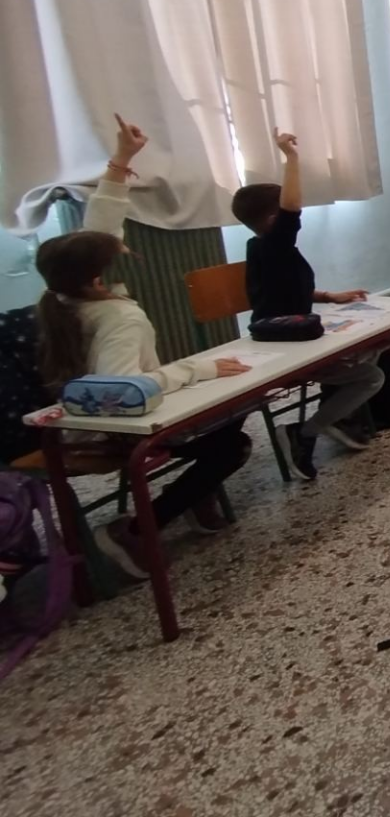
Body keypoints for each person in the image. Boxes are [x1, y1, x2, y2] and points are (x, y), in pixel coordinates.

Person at [35, 115, 252, 581]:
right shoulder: (118, 318)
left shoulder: (60, 295)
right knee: (231, 442)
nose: (122, 250)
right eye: (115, 253)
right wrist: (199, 370)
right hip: (110, 427)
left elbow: (100, 229)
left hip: (88, 416)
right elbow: (120, 391)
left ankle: (194, 498)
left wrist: (122, 160)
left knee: (231, 412)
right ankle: (136, 530)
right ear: (97, 275)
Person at [231, 129, 385, 481]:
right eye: (285, 214)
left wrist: (329, 297)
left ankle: (338, 414)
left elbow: (286, 291)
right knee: (372, 376)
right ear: (274, 221)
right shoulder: (275, 245)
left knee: (375, 346)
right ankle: (305, 432)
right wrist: (291, 158)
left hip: (288, 333)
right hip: (287, 347)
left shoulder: (264, 249)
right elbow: (291, 209)